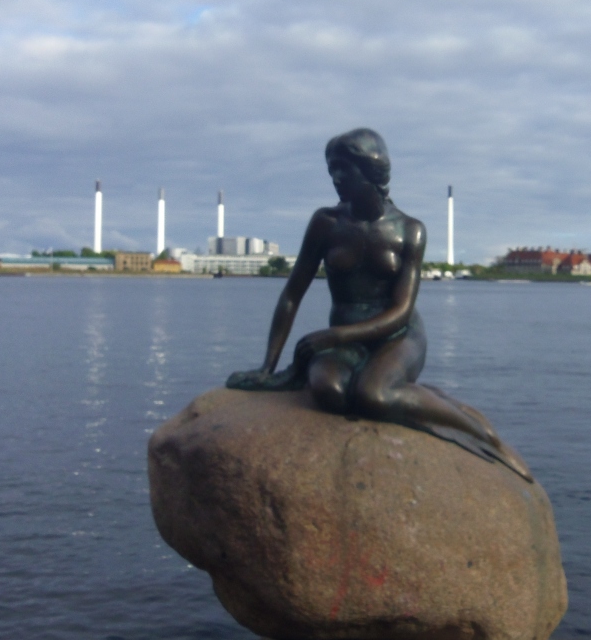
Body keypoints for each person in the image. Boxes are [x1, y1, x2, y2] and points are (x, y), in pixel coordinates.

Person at [227, 128, 531, 480]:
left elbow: (401, 311)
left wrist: (333, 337)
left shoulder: (409, 230)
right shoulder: (326, 223)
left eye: (344, 168)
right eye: (331, 169)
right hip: (345, 339)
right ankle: (414, 395)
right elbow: (292, 295)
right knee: (329, 392)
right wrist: (267, 366)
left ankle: (480, 433)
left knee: (375, 395)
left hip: (398, 335)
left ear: (371, 170)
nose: (336, 178)